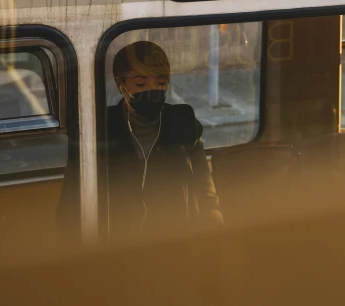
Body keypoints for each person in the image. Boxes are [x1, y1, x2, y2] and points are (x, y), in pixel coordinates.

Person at [57, 41, 223, 244]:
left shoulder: (182, 121)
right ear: (121, 85)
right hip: (117, 243)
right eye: (141, 84)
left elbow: (203, 181)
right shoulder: (97, 129)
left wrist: (213, 216)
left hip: (177, 239)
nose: (153, 90)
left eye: (161, 83)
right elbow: (72, 200)